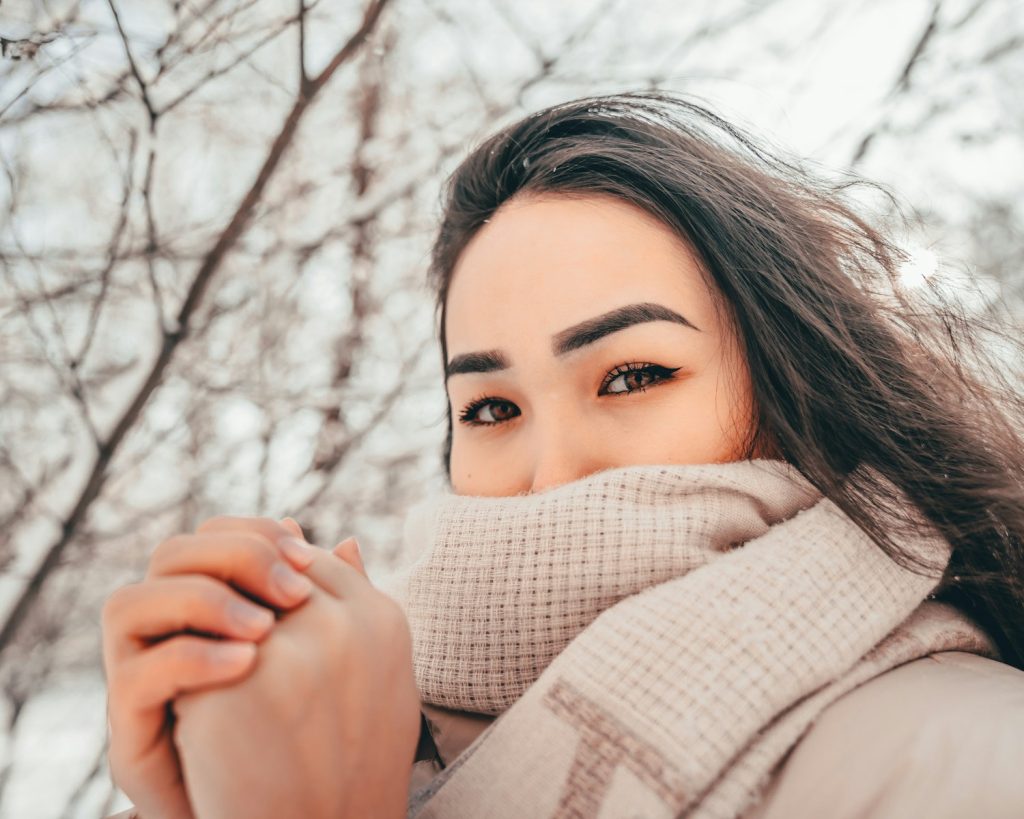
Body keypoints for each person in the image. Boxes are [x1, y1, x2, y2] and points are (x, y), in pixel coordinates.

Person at [101, 93, 1024, 818]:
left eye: (632, 376)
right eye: (491, 407)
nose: (552, 476)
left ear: (795, 391)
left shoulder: (978, 762)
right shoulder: (343, 716)